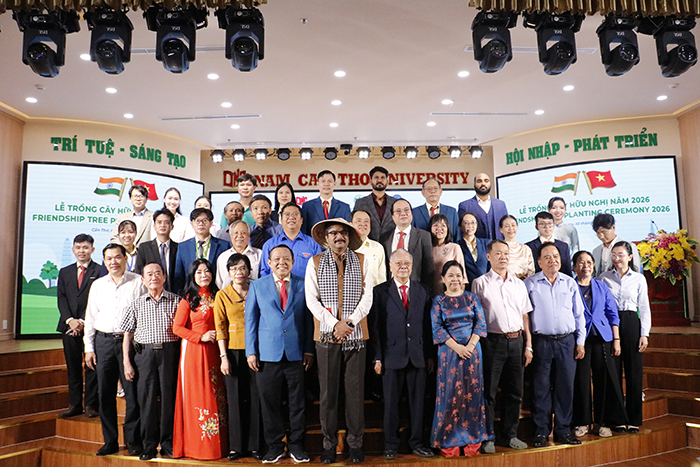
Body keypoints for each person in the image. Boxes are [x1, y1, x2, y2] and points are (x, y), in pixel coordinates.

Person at [305, 218, 373, 464]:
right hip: (326, 335)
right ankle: (329, 446)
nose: (338, 236)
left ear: (349, 236)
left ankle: (355, 445)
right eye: (333, 232)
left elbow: (367, 297)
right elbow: (311, 300)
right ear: (326, 237)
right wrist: (335, 324)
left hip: (356, 335)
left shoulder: (363, 260)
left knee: (355, 394)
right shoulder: (314, 262)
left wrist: (349, 323)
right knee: (328, 395)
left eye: (343, 232)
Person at [246, 245, 315, 464]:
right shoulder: (257, 286)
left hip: (296, 353)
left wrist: (308, 349)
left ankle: (296, 445)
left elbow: (308, 320)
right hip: (267, 355)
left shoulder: (303, 284)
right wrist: (251, 351)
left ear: (293, 262)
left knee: (298, 403)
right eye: (276, 259)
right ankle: (275, 446)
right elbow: (251, 321)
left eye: (286, 259)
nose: (281, 262)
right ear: (269, 262)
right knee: (269, 402)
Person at [369, 249, 434, 460]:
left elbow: (428, 326)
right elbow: (375, 328)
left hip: (418, 356)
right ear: (390, 266)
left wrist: (429, 355)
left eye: (407, 263)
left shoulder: (423, 290)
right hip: (391, 356)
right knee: (391, 404)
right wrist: (377, 357)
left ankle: (417, 442)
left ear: (412, 266)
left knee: (418, 404)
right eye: (398, 263)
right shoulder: (379, 292)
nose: (403, 266)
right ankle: (390, 444)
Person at [83, 243, 145, 456]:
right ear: (104, 261)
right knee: (106, 394)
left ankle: (133, 441)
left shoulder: (138, 281)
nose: (113, 262)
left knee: (132, 394)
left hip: (130, 344)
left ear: (125, 258)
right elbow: (90, 317)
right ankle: (110, 441)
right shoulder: (98, 285)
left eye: (117, 257)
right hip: (104, 343)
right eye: (109, 258)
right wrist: (89, 347)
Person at [471, 239, 532, 453]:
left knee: (514, 392)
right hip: (492, 342)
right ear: (488, 257)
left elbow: (525, 316)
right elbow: (476, 318)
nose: (503, 257)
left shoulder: (519, 284)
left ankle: (510, 435)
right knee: (488, 393)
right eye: (498, 253)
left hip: (517, 341)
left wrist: (528, 345)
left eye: (506, 253)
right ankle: (488, 437)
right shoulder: (480, 283)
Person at [524, 243, 586, 447]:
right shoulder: (529, 284)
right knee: (540, 388)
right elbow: (525, 316)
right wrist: (528, 344)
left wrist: (580, 342)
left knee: (565, 387)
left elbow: (579, 314)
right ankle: (541, 431)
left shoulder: (569, 283)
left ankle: (563, 430)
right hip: (541, 342)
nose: (553, 260)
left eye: (556, 256)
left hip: (567, 342)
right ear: (539, 262)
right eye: (547, 257)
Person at [120, 263, 181, 461]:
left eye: (157, 273)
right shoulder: (136, 303)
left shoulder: (176, 301)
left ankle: (168, 443)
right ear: (143, 280)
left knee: (169, 399)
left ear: (164, 277)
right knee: (146, 400)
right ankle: (148, 445)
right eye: (149, 274)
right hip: (144, 356)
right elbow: (127, 335)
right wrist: (126, 362)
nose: (154, 277)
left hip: (169, 353)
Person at [430, 261, 488, 457]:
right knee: (450, 396)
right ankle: (449, 441)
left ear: (463, 278)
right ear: (443, 279)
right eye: (450, 275)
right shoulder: (438, 301)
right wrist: (457, 348)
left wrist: (469, 347)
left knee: (473, 395)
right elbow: (437, 329)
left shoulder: (472, 297)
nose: (455, 279)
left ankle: (472, 441)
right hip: (449, 353)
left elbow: (480, 324)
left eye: (458, 275)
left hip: (473, 353)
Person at [172, 259, 227, 460]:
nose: (204, 275)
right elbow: (177, 328)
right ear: (193, 276)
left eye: (207, 271)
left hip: (216, 351)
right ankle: (198, 447)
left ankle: (220, 445)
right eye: (199, 272)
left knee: (217, 395)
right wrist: (200, 337)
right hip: (195, 352)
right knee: (199, 396)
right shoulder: (188, 299)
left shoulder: (219, 295)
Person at [571, 251, 624, 439]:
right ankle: (582, 421)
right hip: (580, 341)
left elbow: (612, 313)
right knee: (581, 382)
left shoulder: (601, 286)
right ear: (574, 267)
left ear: (593, 266)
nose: (585, 265)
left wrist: (616, 340)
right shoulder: (570, 286)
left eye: (589, 262)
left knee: (603, 382)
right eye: (581, 262)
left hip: (602, 339)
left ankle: (602, 422)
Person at [214, 254, 263, 461]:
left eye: (242, 268)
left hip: (257, 349)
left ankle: (256, 445)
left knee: (256, 397)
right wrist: (223, 356)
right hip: (233, 351)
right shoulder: (222, 295)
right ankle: (236, 446)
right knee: (234, 399)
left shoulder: (258, 288)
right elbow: (220, 328)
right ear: (228, 272)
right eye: (234, 269)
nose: (238, 272)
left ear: (249, 270)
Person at [599, 241, 651, 433]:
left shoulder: (638, 279)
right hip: (610, 324)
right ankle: (618, 418)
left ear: (630, 257)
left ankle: (634, 419)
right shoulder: (603, 278)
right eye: (613, 255)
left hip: (631, 323)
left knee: (634, 372)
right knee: (613, 372)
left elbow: (644, 307)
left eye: (620, 254)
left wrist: (644, 333)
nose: (616, 258)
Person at [56, 234, 101, 419]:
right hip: (68, 327)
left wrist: (83, 321)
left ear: (92, 249)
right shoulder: (64, 271)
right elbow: (61, 298)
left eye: (85, 247)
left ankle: (91, 404)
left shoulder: (100, 270)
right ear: (73, 250)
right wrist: (70, 320)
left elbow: (99, 299)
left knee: (92, 367)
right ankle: (75, 404)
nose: (82, 251)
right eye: (78, 247)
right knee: (73, 367)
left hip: (91, 326)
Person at [380, 198, 435, 294]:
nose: (403, 213)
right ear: (393, 216)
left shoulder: (423, 236)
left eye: (406, 210)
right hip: (390, 291)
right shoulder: (384, 238)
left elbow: (428, 269)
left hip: (416, 291)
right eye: (398, 211)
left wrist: (427, 293)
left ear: (411, 214)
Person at [173, 208, 231, 294]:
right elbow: (179, 276)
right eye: (197, 221)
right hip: (190, 295)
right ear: (191, 224)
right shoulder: (183, 246)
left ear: (211, 223)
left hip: (216, 295)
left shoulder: (224, 245)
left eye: (205, 220)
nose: (201, 224)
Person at [260, 203, 321, 278]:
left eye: (295, 214)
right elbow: (264, 272)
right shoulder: (269, 244)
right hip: (277, 285)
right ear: (281, 220)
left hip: (305, 285)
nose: (291, 217)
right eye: (287, 214)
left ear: (301, 220)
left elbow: (319, 270)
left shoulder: (313, 244)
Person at [135, 209, 179, 292]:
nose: (162, 225)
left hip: (175, 294)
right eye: (159, 222)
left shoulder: (179, 248)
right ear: (154, 226)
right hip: (151, 293)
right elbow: (139, 272)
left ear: (172, 226)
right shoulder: (144, 248)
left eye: (166, 222)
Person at [457, 173, 508, 241]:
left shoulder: (500, 205)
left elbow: (506, 227)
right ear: (474, 185)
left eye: (486, 181)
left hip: (498, 245)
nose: (483, 183)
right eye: (479, 181)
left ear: (490, 184)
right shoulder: (465, 206)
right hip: (475, 246)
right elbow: (460, 232)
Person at [352, 166, 397, 241]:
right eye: (376, 177)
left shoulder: (395, 203)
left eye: (382, 178)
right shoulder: (361, 203)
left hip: (391, 244)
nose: (379, 180)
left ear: (387, 181)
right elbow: (355, 225)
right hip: (368, 244)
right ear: (370, 181)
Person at [301, 170, 352, 235]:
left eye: (329, 181)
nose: (326, 184)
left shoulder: (344, 207)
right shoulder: (307, 206)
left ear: (334, 184)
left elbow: (347, 231)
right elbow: (304, 231)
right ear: (317, 184)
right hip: (313, 241)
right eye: (323, 181)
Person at [216, 220, 262, 288]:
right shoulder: (223, 257)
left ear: (249, 236)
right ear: (231, 236)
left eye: (243, 233)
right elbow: (219, 283)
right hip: (228, 294)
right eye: (236, 233)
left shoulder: (259, 254)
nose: (239, 236)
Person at [525, 211, 573, 277]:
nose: (547, 226)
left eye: (550, 223)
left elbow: (567, 270)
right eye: (542, 224)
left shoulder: (563, 246)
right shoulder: (528, 247)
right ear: (536, 227)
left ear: (554, 225)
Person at [429, 213, 465, 294]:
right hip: (428, 292)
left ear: (448, 229)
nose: (439, 228)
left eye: (443, 225)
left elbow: (462, 277)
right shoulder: (426, 247)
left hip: (448, 292)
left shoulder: (454, 247)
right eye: (435, 225)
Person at [352, 209, 387, 286]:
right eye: (358, 221)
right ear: (350, 224)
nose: (363, 224)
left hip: (373, 292)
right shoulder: (344, 247)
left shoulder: (377, 247)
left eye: (366, 221)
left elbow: (382, 278)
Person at [457, 211, 490, 285]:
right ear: (460, 226)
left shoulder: (486, 243)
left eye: (473, 223)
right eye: (466, 223)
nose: (470, 226)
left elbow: (491, 266)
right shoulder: (457, 246)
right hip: (467, 286)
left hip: (486, 285)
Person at [499, 215, 535, 279]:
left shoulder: (525, 249)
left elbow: (531, 272)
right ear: (501, 229)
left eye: (513, 225)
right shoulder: (498, 249)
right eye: (507, 226)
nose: (511, 228)